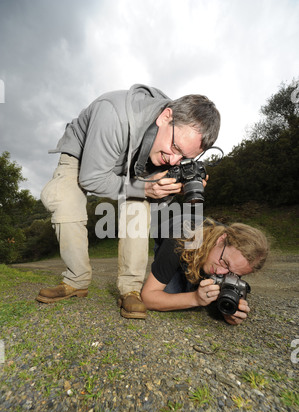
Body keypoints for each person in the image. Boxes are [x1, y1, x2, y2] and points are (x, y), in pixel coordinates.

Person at [35, 84, 221, 319]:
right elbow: (92, 179)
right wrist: (144, 187)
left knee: (138, 208)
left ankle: (130, 289)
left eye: (185, 157)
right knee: (65, 200)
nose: (174, 160)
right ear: (166, 117)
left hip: (132, 164)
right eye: (175, 148)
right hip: (83, 157)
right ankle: (76, 280)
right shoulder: (112, 114)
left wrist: (175, 187)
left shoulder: (173, 140)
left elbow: (156, 197)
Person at [141, 219, 269, 325]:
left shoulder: (232, 256)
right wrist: (195, 298)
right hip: (173, 233)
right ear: (220, 240)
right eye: (225, 262)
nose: (220, 272)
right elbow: (148, 297)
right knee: (172, 291)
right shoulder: (179, 239)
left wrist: (229, 310)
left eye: (233, 274)